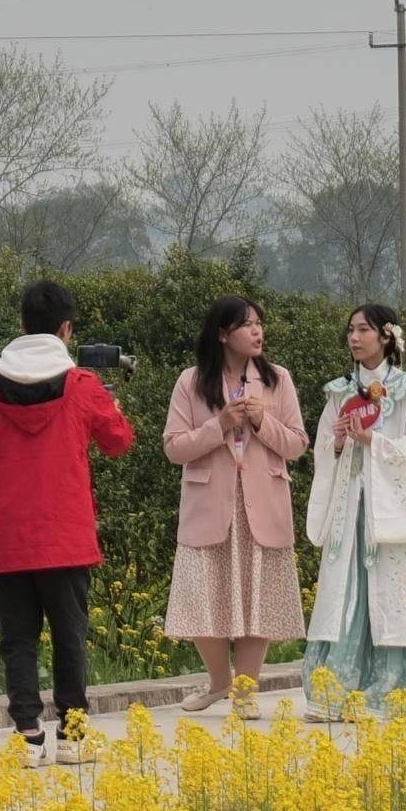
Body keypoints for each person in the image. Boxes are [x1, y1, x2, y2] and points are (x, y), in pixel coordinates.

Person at [0, 278, 134, 758]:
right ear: (66, 329)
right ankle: (72, 735)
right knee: (70, 638)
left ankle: (27, 734)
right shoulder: (83, 386)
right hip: (66, 536)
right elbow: (119, 442)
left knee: (17, 640)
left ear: (22, 325)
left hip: (8, 537)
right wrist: (113, 406)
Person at [303, 301, 406, 721]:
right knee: (346, 592)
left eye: (363, 330)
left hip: (391, 510)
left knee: (399, 593)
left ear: (386, 336)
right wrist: (338, 442)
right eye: (350, 330)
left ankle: (398, 693)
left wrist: (377, 444)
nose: (354, 338)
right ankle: (336, 691)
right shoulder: (338, 392)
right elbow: (323, 451)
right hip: (351, 504)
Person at [162, 296, 308, 713]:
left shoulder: (278, 379)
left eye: (260, 323)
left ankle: (245, 693)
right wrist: (220, 424)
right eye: (247, 325)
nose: (258, 332)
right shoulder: (191, 381)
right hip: (210, 505)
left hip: (262, 503)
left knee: (256, 599)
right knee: (199, 597)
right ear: (223, 334)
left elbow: (298, 443)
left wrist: (262, 421)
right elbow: (174, 448)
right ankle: (219, 682)